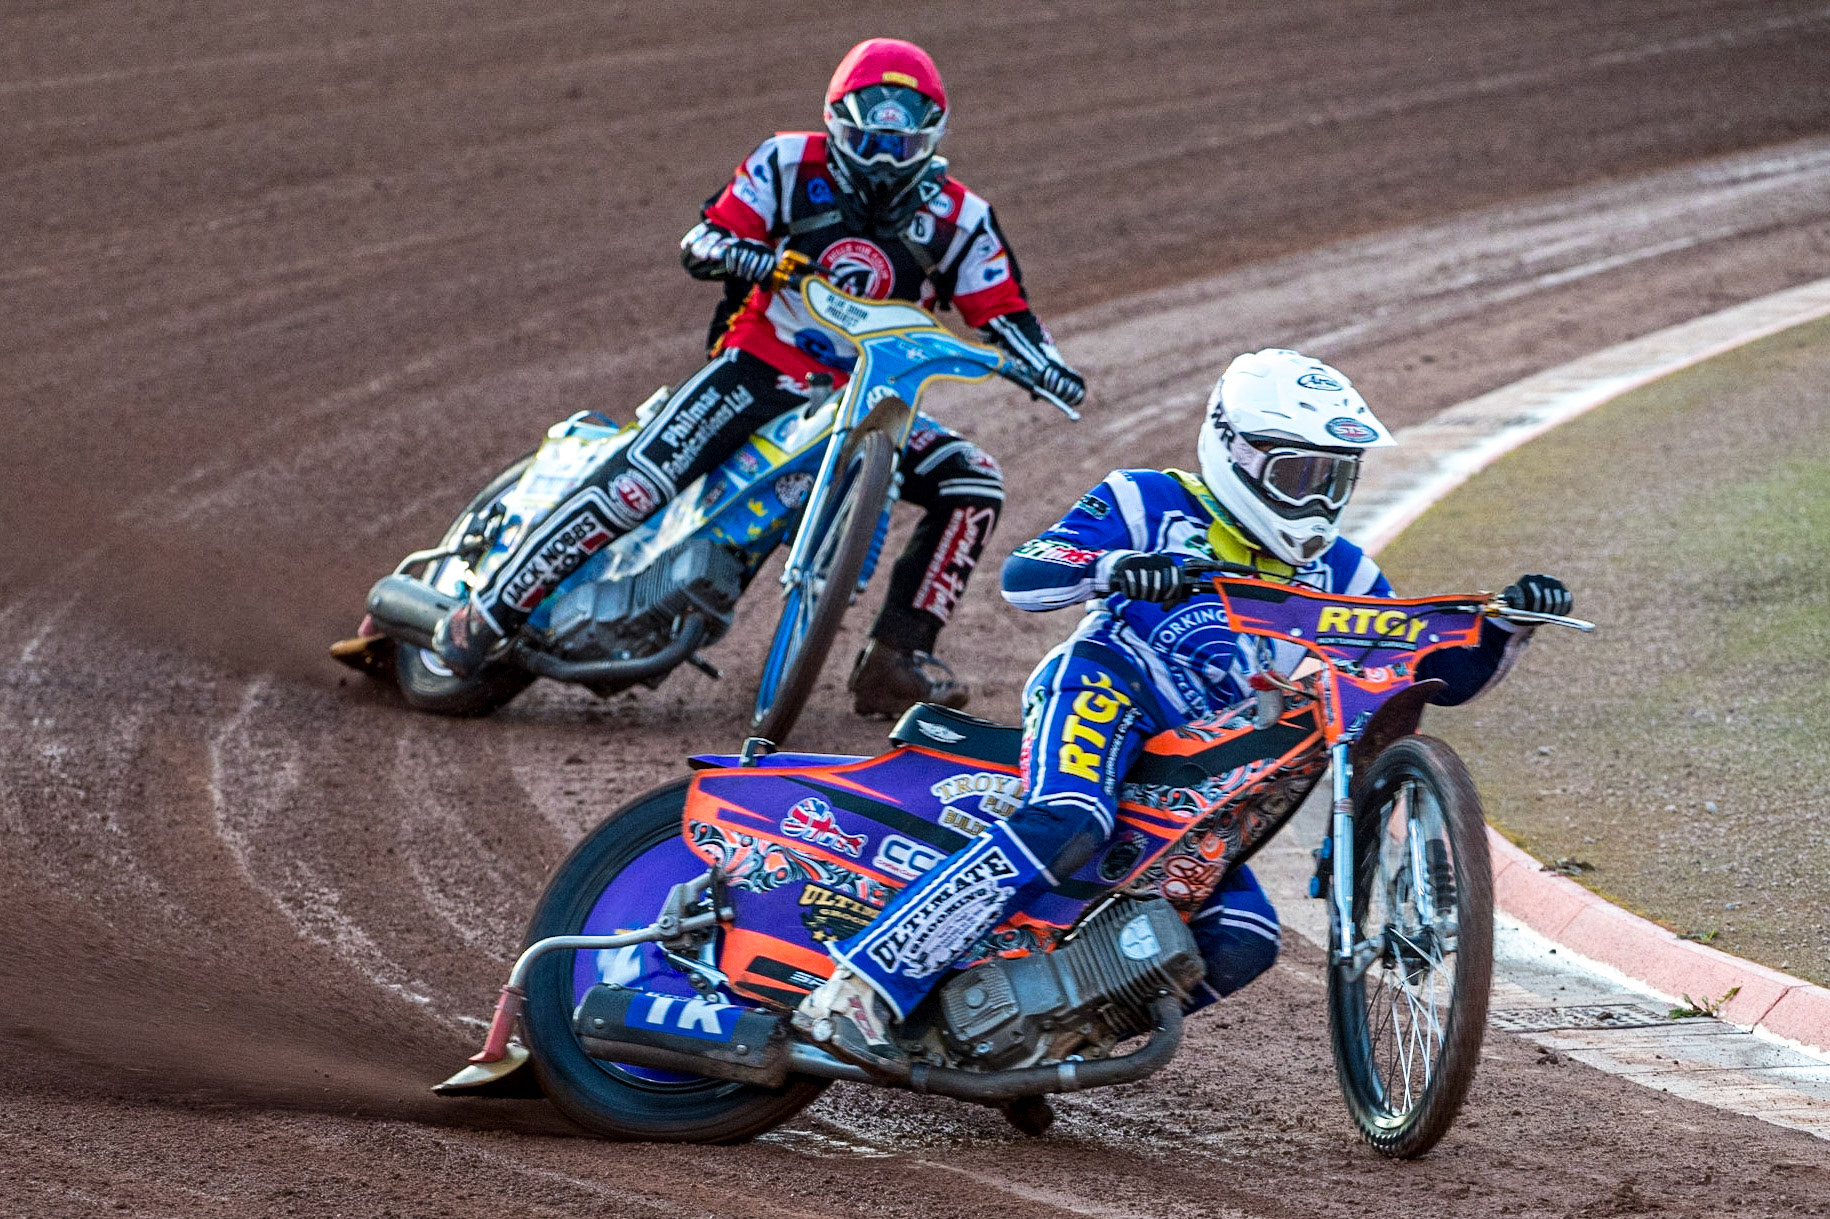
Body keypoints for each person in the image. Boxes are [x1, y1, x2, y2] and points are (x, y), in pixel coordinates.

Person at [796, 348, 1572, 1067]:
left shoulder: (1343, 568)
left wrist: (1506, 626)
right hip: (1107, 684)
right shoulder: (1149, 498)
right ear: (1237, 452)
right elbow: (1026, 575)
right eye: (1302, 475)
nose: (1320, 499)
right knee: (1070, 817)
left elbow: (1419, 667)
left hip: (1205, 761)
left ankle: (1035, 1039)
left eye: (1337, 479)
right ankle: (860, 985)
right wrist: (1117, 566)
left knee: (1243, 936)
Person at [431, 37, 1086, 716]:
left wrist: (1050, 367)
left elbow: (1006, 310)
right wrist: (756, 262)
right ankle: (487, 613)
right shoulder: (785, 162)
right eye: (872, 128)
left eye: (904, 131)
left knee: (972, 477)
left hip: (871, 397)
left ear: (932, 133)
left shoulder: (961, 218)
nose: (886, 151)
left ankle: (895, 657)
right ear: (839, 120)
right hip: (758, 369)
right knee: (636, 481)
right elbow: (703, 242)